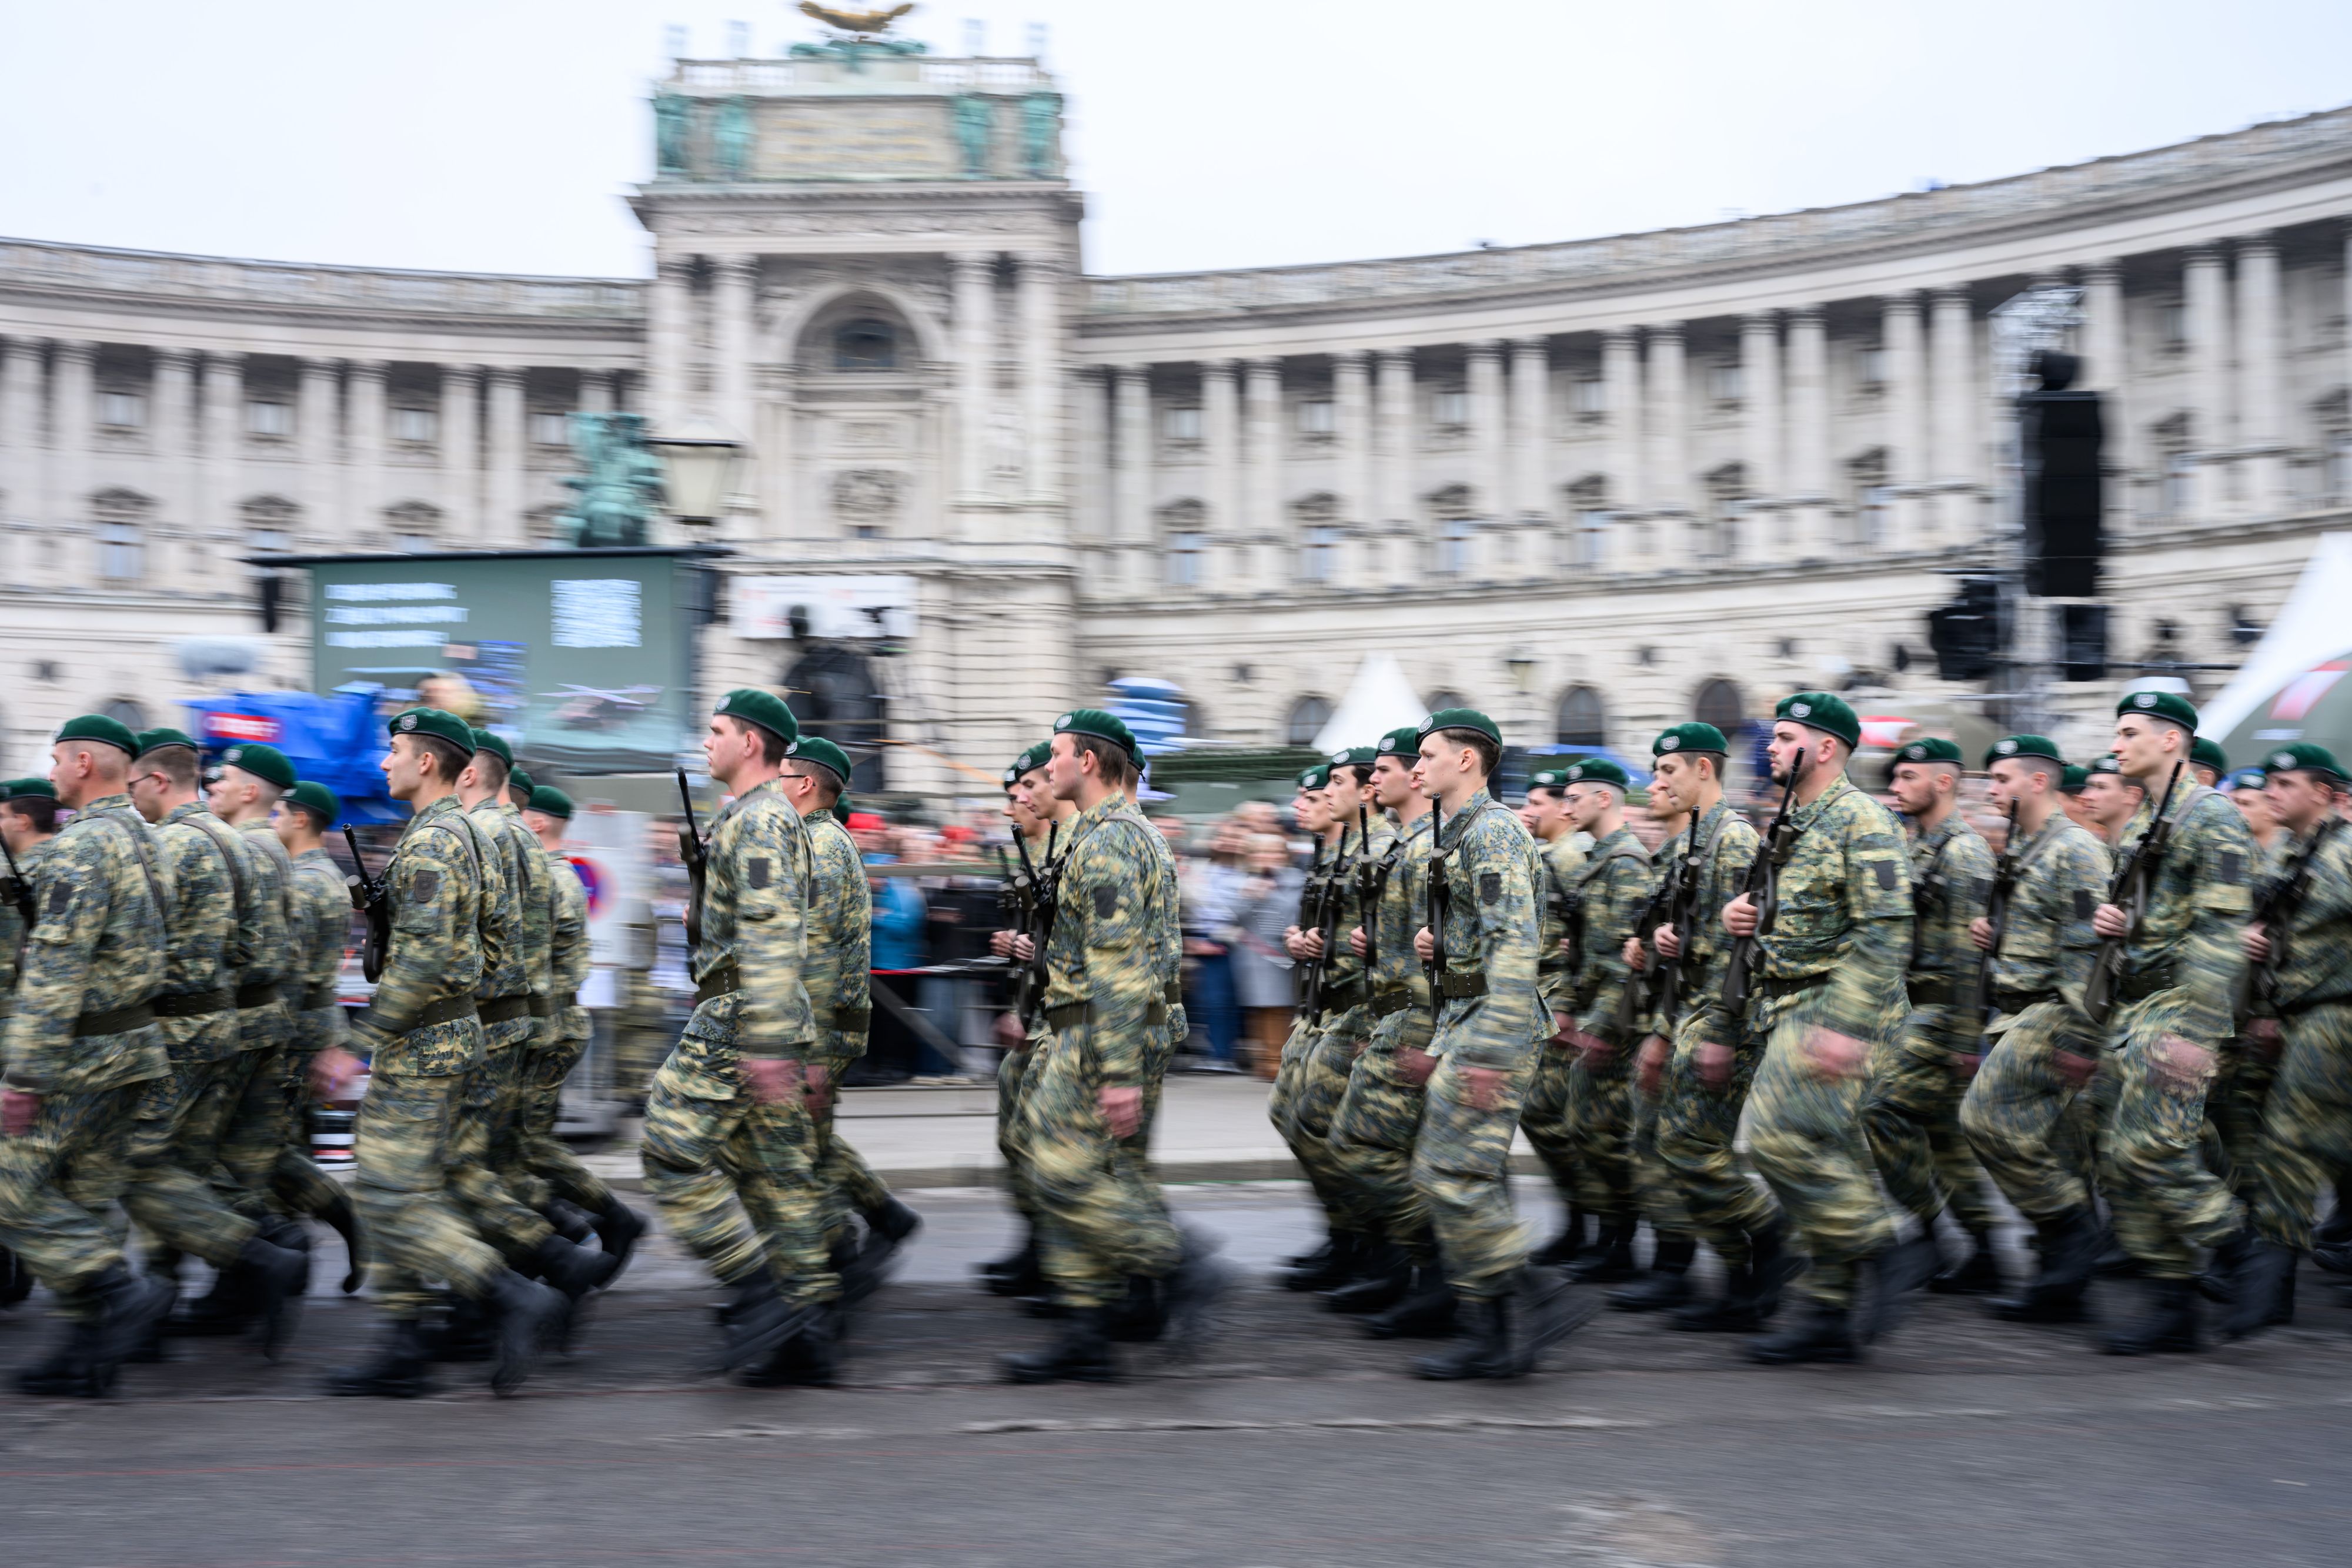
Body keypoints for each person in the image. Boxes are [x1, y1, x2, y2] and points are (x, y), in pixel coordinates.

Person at [321, 707, 566, 1398]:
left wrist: (361, 1044)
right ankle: (405, 1339)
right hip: (443, 1035)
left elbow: (426, 958)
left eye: (393, 750)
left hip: (423, 1041)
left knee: (394, 1199)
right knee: (391, 1189)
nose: (383, 763)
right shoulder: (455, 834)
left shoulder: (436, 842)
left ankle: (508, 1293)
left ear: (426, 762)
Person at [1002, 709, 1224, 1382]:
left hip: (1100, 1030)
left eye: (1059, 755)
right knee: (1093, 1172)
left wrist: (1121, 1071)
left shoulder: (1110, 842)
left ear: (1088, 764)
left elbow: (1119, 963)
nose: (1048, 767)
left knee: (1057, 1169)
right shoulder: (1107, 833)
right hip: (1091, 1023)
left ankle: (1175, 1261)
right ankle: (1086, 1327)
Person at [640, 690, 840, 1381]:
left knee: (667, 1148)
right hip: (763, 1015)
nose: (707, 742)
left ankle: (761, 1296)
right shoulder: (756, 817)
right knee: (776, 1179)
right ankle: (806, 1334)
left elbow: (771, 932)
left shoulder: (759, 822)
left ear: (751, 744)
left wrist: (767, 1041)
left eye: (717, 731)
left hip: (739, 1016)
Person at [1719, 693, 1914, 1365]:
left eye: (1782, 737)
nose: (1768, 748)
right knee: (1832, 1154)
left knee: (1775, 1141)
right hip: (1789, 1004)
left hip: (1836, 1008)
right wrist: (1743, 915)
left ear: (1823, 748)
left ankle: (1879, 1242)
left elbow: (1885, 931)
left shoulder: (1862, 821)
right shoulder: (1791, 822)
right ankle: (1829, 1309)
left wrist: (1847, 1027)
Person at [0, 717, 180, 1396]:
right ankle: (88, 1347)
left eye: (53, 761)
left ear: (82, 762)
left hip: (81, 1052)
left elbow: (55, 963)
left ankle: (117, 1291)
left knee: (11, 1192)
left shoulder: (85, 845)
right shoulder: (148, 838)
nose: (48, 774)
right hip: (135, 1047)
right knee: (87, 1194)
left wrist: (25, 1073)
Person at [118, 728, 308, 1355]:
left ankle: (251, 1259)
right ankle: (247, 1260)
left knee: (143, 1168)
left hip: (176, 1030)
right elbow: (262, 949)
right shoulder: (243, 844)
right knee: (186, 1167)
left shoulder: (168, 845)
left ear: (158, 781)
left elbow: (136, 947)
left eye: (134, 783)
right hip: (231, 1024)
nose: (129, 794)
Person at [1405, 707, 1573, 1379]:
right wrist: (1440, 946)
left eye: (1426, 755)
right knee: (1454, 1173)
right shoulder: (1464, 831)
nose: (1417, 767)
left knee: (1449, 1173)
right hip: (1468, 1020)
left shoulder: (1493, 832)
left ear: (1466, 760)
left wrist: (1490, 1052)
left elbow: (1515, 944)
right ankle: (1504, 1319)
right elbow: (1482, 934)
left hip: (1490, 1029)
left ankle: (1521, 1304)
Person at [2090, 690, 2258, 1355]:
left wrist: (2195, 1032)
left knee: (2148, 1147)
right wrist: (2116, 922)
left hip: (2180, 1008)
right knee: (2118, 1158)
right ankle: (2173, 1300)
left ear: (2170, 741)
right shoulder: (2141, 824)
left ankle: (2241, 1246)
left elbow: (2221, 930)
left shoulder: (2211, 816)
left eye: (2129, 733)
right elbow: (2150, 917)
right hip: (2135, 1007)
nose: (2117, 745)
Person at [448, 730, 616, 1308]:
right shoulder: (546, 866)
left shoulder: (538, 869)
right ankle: (550, 1258)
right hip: (540, 1024)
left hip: (533, 1026)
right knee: (511, 1156)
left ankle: (561, 1251)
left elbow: (522, 959)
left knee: (507, 1157)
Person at [1959, 736, 2114, 1322]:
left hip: (2053, 1010)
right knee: (2050, 1145)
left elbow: (2087, 954)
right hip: (2013, 1008)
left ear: (2038, 781)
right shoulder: (2023, 845)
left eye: (2001, 780)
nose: (1991, 790)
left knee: (1983, 1118)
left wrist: (2081, 1037)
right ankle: (2062, 1279)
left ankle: (2073, 1234)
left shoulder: (2075, 851)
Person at [1642, 724, 1783, 1332]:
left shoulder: (1731, 840)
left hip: (1721, 1017)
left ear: (1704, 769)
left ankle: (1771, 1237)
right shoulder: (1693, 842)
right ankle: (1741, 1283)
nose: (1657, 782)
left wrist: (1723, 1033)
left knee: (1690, 1148)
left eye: (1668, 770)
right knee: (1683, 1149)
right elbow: (1697, 942)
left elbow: (1741, 954)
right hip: (1689, 1013)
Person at [781, 733, 920, 1329]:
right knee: (810, 1148)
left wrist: (809, 1055)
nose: (772, 786)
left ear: (806, 784)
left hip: (819, 1029)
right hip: (818, 1026)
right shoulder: (813, 841)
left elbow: (816, 957)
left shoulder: (822, 847)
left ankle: (827, 1277)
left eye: (781, 776)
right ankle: (874, 1226)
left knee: (799, 1153)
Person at [1325, 726, 1449, 1333]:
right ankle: (1422, 1269)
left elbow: (1462, 954)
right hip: (1393, 1013)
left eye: (1385, 769)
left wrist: (1436, 1039)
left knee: (1362, 1146)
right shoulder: (1406, 842)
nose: (1374, 780)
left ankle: (1450, 1268)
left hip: (1420, 1021)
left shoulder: (1433, 843)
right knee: (1366, 1146)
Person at [1868, 737, 2000, 1293]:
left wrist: (1968, 1039)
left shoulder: (1964, 852)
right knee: (1943, 1137)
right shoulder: (1920, 846)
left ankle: (1925, 1234)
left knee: (1879, 1109)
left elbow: (1973, 957)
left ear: (1943, 782)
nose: (1895, 788)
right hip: (1915, 1008)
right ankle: (1987, 1249)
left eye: (1906, 777)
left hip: (1945, 1010)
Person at [2231, 743, 2352, 1336]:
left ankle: (2268, 1283)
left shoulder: (2347, 852)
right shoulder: (2292, 854)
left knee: (2288, 1140)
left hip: (2338, 1015)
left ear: (2323, 794)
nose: (2271, 793)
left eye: (2284, 785)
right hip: (2301, 1013)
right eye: (2269, 785)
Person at [506, 784, 644, 1271]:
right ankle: (560, 1230)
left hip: (548, 1025)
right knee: (521, 1146)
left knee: (526, 1145)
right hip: (551, 1021)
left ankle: (596, 1222)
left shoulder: (548, 877)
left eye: (519, 815)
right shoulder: (552, 873)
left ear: (537, 823)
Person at [1281, 748, 1386, 1293]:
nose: (1304, 805)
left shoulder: (1379, 848)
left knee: (1336, 1131)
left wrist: (1331, 951)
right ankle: (1349, 1235)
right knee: (1296, 1118)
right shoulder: (1333, 856)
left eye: (1319, 793)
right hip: (1328, 1007)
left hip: (1362, 1013)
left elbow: (1382, 941)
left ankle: (1376, 1246)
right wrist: (1302, 943)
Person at [1550, 760, 1655, 1286]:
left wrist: (1601, 1026)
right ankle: (1612, 1239)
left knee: (1602, 1133)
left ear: (1605, 799)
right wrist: (1570, 1005)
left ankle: (1629, 1241)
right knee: (1587, 1130)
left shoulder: (1628, 863)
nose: (1566, 807)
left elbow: (1625, 960)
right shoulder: (1599, 858)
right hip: (1594, 1014)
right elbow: (1579, 949)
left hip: (1616, 1024)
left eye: (1575, 797)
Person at [270, 780, 367, 1289]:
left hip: (298, 1034)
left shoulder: (306, 882)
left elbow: (291, 971)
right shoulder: (323, 875)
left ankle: (337, 1229)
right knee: (287, 1152)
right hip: (316, 1026)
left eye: (279, 812)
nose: (273, 820)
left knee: (272, 1152)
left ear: (301, 819)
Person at [982, 743, 1061, 1298]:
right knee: (1016, 1139)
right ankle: (1039, 1242)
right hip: (1031, 1015)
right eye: (1012, 796)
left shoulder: (1068, 850)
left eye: (1023, 792)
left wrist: (1027, 949)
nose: (1014, 806)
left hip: (1062, 1020)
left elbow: (1075, 946)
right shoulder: (1029, 853)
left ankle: (1072, 1260)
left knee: (1056, 1149)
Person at [1515, 768, 1592, 1266]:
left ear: (1564, 808)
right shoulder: (1547, 857)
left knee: (1565, 1122)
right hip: (1538, 1004)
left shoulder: (1570, 859)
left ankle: (1597, 1227)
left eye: (1537, 802)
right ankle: (1579, 1223)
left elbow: (1577, 946)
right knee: (1545, 1119)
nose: (1528, 809)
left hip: (1559, 1010)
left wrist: (1565, 1007)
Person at [1230, 832, 1301, 1075]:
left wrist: (1273, 893)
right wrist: (1249, 896)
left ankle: (1282, 1062)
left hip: (1287, 953)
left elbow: (1295, 914)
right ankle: (1267, 1061)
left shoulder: (1297, 880)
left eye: (1274, 852)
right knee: (1262, 1008)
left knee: (1284, 1008)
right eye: (1260, 853)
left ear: (1285, 856)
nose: (1267, 858)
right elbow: (1236, 917)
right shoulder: (1242, 881)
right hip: (1256, 957)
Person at [2078, 755, 2147, 844]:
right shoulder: (2102, 845)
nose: (2087, 796)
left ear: (2133, 796)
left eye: (2101, 788)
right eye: (2089, 787)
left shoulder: (2147, 845)